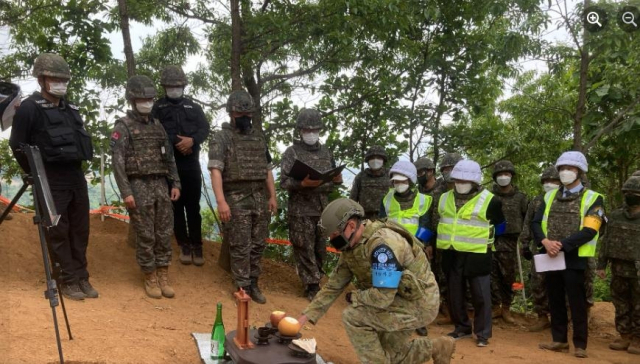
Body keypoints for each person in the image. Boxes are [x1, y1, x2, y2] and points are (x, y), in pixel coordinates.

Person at [298, 198, 456, 364]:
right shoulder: (352, 246)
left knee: (353, 316)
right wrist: (304, 317)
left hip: (418, 303)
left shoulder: (382, 245)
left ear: (351, 225)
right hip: (396, 300)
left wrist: (355, 297)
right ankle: (437, 347)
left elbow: (383, 296)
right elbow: (334, 285)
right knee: (387, 355)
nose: (333, 240)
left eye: (335, 235)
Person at [9, 53, 97, 300]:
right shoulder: (29, 109)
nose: (61, 83)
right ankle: (67, 281)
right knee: (58, 231)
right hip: (50, 179)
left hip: (76, 177)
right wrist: (35, 175)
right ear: (41, 79)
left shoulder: (71, 108)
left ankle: (82, 278)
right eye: (55, 78)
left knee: (80, 230)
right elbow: (18, 145)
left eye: (64, 79)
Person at [111, 75, 181, 299]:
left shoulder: (157, 125)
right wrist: (126, 192)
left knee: (163, 232)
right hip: (138, 184)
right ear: (132, 100)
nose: (147, 102)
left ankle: (163, 274)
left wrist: (175, 182)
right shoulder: (123, 126)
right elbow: (118, 162)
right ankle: (149, 276)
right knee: (145, 234)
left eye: (150, 98)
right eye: (143, 98)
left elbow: (169, 157)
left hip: (160, 184)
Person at [532, 151, 605, 358]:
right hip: (550, 256)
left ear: (580, 172)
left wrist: (561, 245)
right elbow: (536, 222)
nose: (565, 172)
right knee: (554, 298)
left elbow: (591, 229)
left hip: (575, 258)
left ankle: (580, 344)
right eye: (562, 169)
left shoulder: (594, 198)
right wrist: (545, 242)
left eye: (570, 169)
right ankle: (559, 340)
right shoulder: (549, 196)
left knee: (577, 302)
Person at [208, 89, 277, 304]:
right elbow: (216, 170)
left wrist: (272, 197)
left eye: (248, 115)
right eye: (240, 115)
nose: (245, 118)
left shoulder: (258, 137)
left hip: (259, 196)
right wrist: (221, 201)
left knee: (258, 243)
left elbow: (267, 170)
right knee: (240, 244)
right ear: (231, 114)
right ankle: (242, 285)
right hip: (235, 196)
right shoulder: (222, 138)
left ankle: (253, 283)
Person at [435, 160, 506, 347]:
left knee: (480, 294)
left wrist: (486, 241)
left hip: (478, 252)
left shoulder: (490, 200)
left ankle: (483, 333)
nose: (460, 182)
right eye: (457, 179)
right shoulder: (443, 198)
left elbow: (500, 226)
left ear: (475, 181)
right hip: (451, 252)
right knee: (454, 293)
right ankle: (461, 328)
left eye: (465, 179)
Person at [281, 108, 341, 301]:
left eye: (315, 129)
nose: (311, 133)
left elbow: (333, 180)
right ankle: (311, 285)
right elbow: (284, 182)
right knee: (303, 247)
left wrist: (336, 179)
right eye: (307, 130)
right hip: (300, 210)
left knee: (320, 248)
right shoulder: (291, 153)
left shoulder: (326, 152)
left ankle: (318, 279)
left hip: (323, 209)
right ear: (300, 130)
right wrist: (302, 184)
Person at [153, 65, 210, 266]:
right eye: (170, 85)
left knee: (192, 207)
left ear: (184, 86)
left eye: (178, 85)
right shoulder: (157, 108)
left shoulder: (194, 108)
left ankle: (197, 245)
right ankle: (183, 245)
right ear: (165, 87)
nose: (174, 88)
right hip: (169, 165)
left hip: (191, 164)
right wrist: (177, 142)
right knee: (175, 207)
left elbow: (205, 128)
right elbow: (154, 131)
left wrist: (192, 141)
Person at [380, 160, 434, 336]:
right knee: (390, 282)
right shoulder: (387, 199)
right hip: (391, 248)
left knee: (416, 285)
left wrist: (418, 246)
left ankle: (419, 321)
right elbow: (381, 223)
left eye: (403, 181)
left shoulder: (423, 200)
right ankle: (389, 317)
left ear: (410, 181)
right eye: (396, 181)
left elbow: (426, 226)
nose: (399, 184)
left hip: (414, 249)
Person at [597, 175, 640, 355]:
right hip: (618, 267)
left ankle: (638, 339)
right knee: (620, 303)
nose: (631, 195)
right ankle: (625, 335)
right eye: (628, 192)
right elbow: (606, 241)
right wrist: (601, 265)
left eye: (635, 193)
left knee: (638, 305)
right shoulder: (615, 215)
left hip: (637, 270)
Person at [519, 165, 560, 332]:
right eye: (546, 181)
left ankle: (561, 319)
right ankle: (542, 317)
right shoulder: (537, 201)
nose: (549, 183)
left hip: (562, 249)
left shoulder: (567, 200)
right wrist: (524, 244)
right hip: (540, 248)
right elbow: (528, 223)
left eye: (553, 181)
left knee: (560, 284)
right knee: (538, 282)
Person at [489, 160, 528, 324]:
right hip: (490, 240)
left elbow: (527, 219)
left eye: (506, 174)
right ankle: (495, 306)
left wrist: (524, 241)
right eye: (499, 174)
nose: (503, 177)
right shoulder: (489, 197)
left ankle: (506, 307)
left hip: (511, 241)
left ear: (511, 176)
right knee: (491, 275)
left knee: (508, 276)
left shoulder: (521, 198)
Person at [349, 145, 390, 219]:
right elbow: (352, 200)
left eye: (379, 158)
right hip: (365, 218)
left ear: (384, 160)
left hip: (387, 217)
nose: (375, 160)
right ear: (368, 160)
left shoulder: (390, 175)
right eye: (372, 158)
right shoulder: (361, 177)